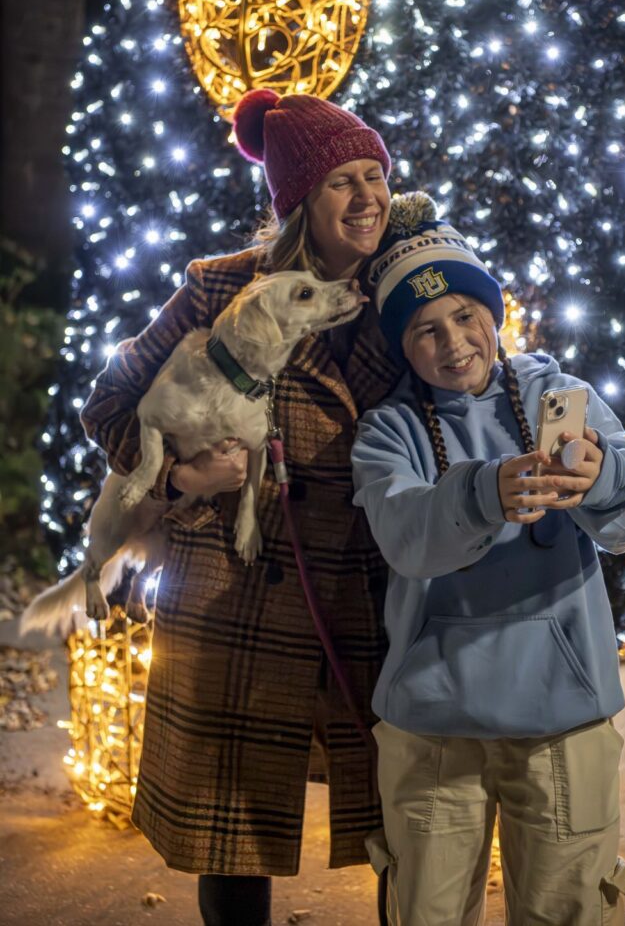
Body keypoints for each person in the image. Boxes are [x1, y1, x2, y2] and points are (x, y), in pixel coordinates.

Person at [80, 89, 402, 926]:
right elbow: (109, 405)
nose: (367, 197)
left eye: (375, 176)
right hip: (236, 588)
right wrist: (181, 480)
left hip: (367, 586)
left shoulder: (404, 289)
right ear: (299, 202)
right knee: (230, 829)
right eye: (341, 182)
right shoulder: (219, 289)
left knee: (404, 820)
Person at [350, 195, 625, 926]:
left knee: (567, 909)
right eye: (426, 329)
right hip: (433, 727)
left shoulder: (564, 397)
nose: (454, 342)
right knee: (426, 913)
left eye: (466, 315)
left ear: (494, 314)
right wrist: (484, 492)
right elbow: (405, 535)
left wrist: (605, 480)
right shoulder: (387, 431)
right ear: (402, 345)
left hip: (564, 718)